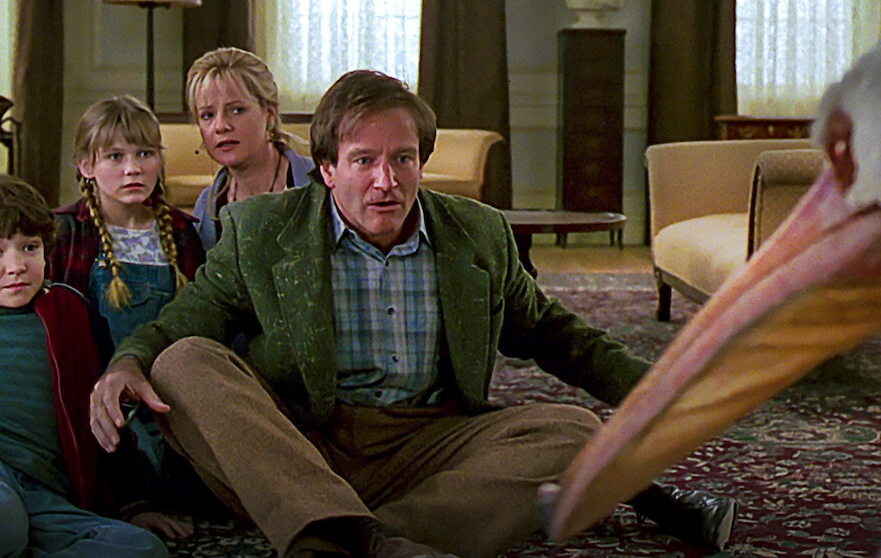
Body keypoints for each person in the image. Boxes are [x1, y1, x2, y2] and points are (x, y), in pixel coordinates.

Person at [88, 71, 737, 558]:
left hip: (429, 444)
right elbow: (186, 321)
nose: (386, 181)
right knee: (182, 364)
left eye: (402, 158)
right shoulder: (261, 230)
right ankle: (373, 539)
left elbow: (554, 334)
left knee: (570, 432)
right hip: (302, 440)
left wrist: (659, 390)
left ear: (422, 162)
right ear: (327, 169)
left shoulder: (476, 235)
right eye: (364, 161)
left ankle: (340, 537)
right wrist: (128, 361)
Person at [0, 175, 177, 556]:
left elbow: (107, 412)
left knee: (141, 550)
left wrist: (134, 503)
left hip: (40, 488)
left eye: (29, 247)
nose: (16, 266)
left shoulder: (72, 313)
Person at [46, 95, 206, 516]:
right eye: (115, 157)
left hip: (170, 398)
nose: (133, 168)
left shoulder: (184, 233)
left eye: (145, 154)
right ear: (86, 166)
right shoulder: (63, 233)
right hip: (93, 397)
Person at [186, 46, 315, 250]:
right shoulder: (207, 208)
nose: (221, 126)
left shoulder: (320, 184)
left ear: (270, 114)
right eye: (207, 115)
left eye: (237, 110)